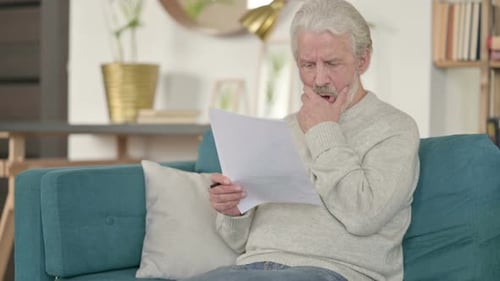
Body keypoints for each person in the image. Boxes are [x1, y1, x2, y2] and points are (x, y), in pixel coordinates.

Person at [183, 0, 420, 280]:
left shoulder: (395, 129)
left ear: (363, 60)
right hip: (251, 267)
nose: (319, 78)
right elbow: (237, 241)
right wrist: (235, 211)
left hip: (335, 271)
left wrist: (323, 130)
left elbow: (363, 216)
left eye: (332, 63)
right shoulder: (282, 129)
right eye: (308, 65)